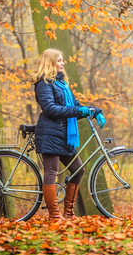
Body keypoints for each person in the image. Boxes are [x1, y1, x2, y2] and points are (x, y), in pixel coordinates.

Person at [30, 49, 106, 220]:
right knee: (51, 171)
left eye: (62, 60)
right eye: (59, 60)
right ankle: (55, 215)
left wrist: (94, 111)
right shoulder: (44, 83)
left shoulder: (62, 85)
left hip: (64, 135)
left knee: (78, 170)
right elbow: (49, 108)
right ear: (50, 63)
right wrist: (79, 111)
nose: (63, 63)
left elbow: (76, 105)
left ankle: (69, 213)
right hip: (50, 133)